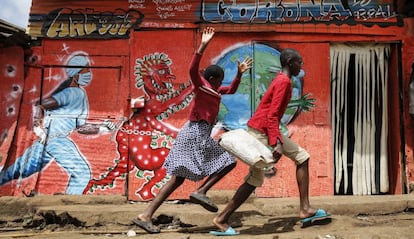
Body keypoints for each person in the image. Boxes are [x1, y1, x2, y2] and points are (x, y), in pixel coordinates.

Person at [132, 27, 253, 234]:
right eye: (220, 79)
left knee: (177, 179)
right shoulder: (203, 86)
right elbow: (192, 70)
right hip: (196, 132)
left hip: (193, 133)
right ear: (214, 79)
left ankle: (145, 215)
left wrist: (239, 74)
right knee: (228, 161)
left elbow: (231, 90)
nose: (221, 83)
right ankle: (201, 190)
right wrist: (203, 46)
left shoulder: (214, 91)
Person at [210, 48, 329, 236]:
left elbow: (273, 114)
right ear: (290, 61)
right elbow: (273, 114)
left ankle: (305, 208)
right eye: (299, 62)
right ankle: (221, 218)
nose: (301, 66)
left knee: (300, 158)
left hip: (264, 130)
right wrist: (277, 142)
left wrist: (276, 138)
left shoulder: (283, 80)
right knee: (256, 178)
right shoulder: (283, 82)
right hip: (261, 133)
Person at [0, 54, 113, 195]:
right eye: (86, 70)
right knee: (82, 174)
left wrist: (103, 128)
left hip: (50, 141)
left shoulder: (79, 94)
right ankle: (69, 203)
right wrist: (38, 129)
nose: (89, 74)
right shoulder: (73, 93)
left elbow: (81, 128)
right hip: (56, 141)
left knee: (15, 171)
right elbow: (40, 105)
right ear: (76, 75)